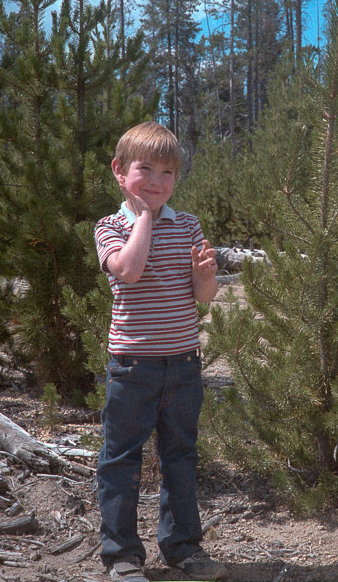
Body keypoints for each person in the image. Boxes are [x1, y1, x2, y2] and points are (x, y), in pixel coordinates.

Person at [93, 121, 227, 582]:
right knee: (120, 458)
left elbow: (204, 295)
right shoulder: (111, 226)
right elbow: (128, 272)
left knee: (181, 456)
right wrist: (146, 217)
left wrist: (206, 272)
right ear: (118, 170)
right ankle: (123, 556)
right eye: (144, 169)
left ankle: (183, 548)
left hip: (184, 363)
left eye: (166, 173)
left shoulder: (188, 224)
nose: (155, 181)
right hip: (133, 366)